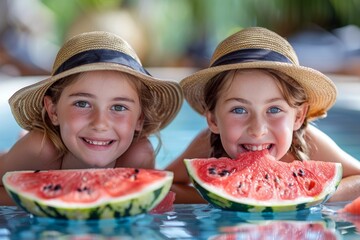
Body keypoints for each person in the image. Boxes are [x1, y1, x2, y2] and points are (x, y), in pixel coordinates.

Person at [166, 27, 360, 203]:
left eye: (274, 110)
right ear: (213, 120)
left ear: (299, 116)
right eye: (239, 110)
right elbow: (162, 185)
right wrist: (222, 194)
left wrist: (311, 193)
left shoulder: (310, 142)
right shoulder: (207, 144)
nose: (258, 130)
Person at [0, 31, 183, 205]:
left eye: (119, 107)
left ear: (139, 119)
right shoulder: (39, 150)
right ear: (53, 111)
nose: (100, 124)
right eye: (82, 104)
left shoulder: (137, 156)